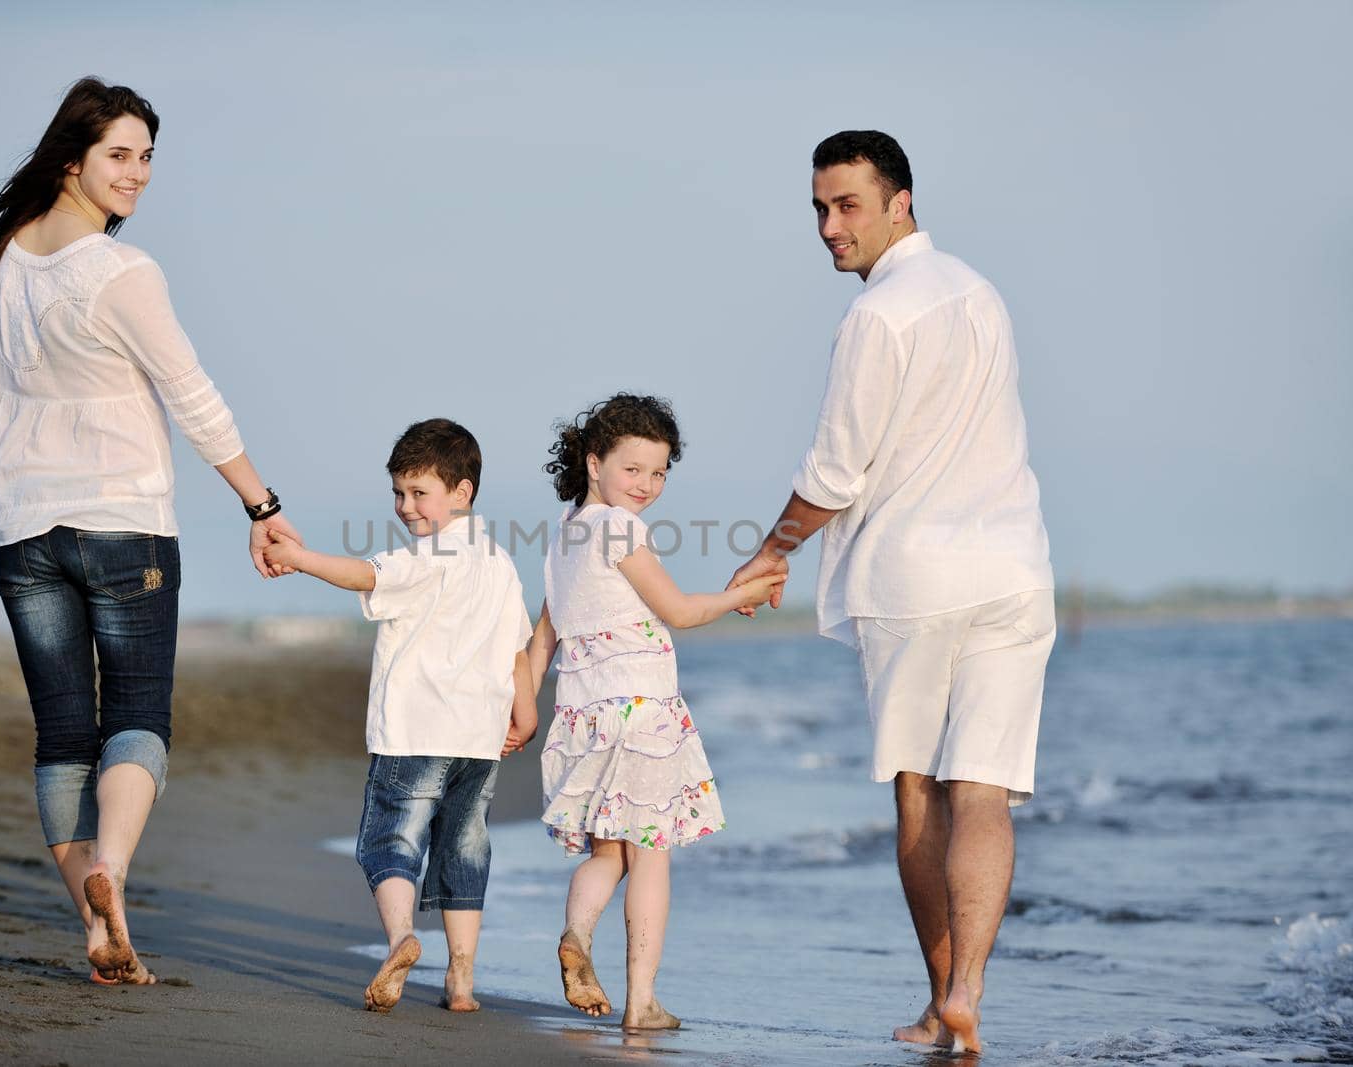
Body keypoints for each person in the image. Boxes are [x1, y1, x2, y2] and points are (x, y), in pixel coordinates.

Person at [0, 77, 303, 985]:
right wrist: (262, 508)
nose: (138, 173)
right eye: (119, 154)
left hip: (24, 528)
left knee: (63, 735)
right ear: (72, 158)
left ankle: (96, 920)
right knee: (138, 719)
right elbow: (194, 396)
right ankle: (111, 866)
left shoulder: (10, 258)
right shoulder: (120, 272)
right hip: (123, 526)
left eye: (147, 157)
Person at [729, 130, 1055, 1054]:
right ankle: (970, 993)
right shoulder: (980, 293)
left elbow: (836, 470)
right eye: (820, 210)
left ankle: (936, 1001)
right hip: (1016, 570)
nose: (831, 228)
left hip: (917, 577)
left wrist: (768, 554)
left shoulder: (879, 316)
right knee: (984, 790)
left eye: (848, 207)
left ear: (900, 200)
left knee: (921, 790)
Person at [261, 418, 534, 1013]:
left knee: (390, 840)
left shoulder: (428, 557)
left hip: (415, 731)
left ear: (461, 494)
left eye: (419, 493)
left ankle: (401, 938)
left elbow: (367, 575)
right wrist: (527, 711)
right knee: (464, 849)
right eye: (398, 492)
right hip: (480, 739)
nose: (405, 506)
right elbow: (518, 645)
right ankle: (461, 982)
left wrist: (301, 558)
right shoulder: (500, 562)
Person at [529, 394, 784, 1030]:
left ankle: (577, 935)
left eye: (660, 471)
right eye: (633, 469)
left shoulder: (564, 537)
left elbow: (543, 639)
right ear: (594, 462)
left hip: (583, 715)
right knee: (652, 852)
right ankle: (641, 1002)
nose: (647, 484)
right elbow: (678, 611)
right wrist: (743, 592)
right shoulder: (620, 529)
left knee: (607, 854)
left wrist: (521, 712)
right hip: (641, 713)